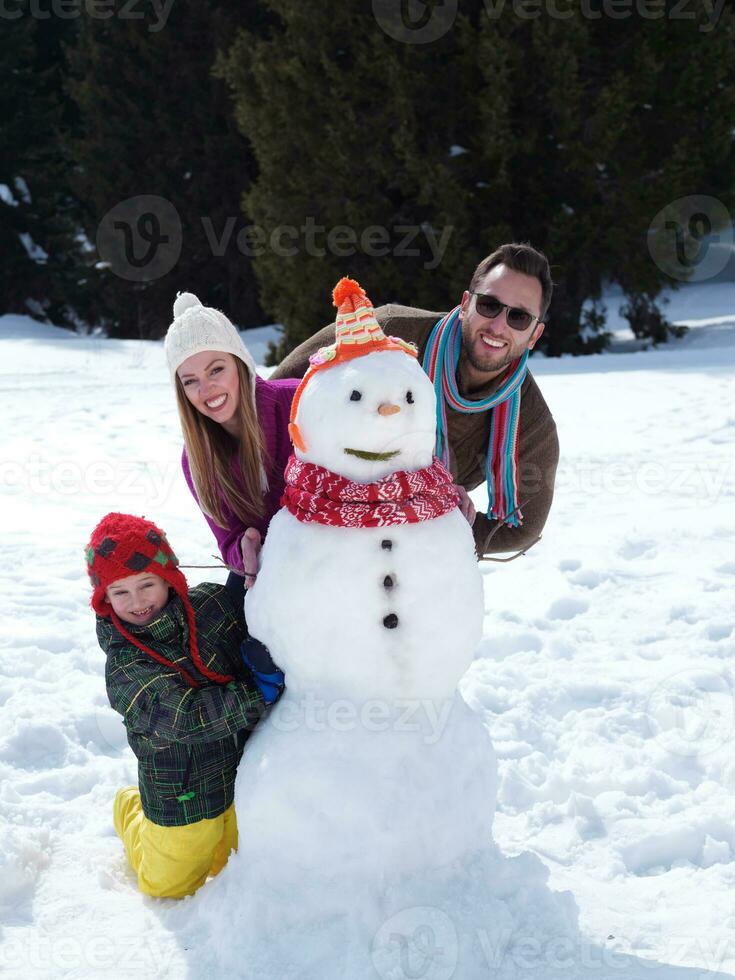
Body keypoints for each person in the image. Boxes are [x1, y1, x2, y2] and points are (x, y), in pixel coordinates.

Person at [271, 243, 559, 557]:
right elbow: (273, 396)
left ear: (534, 335)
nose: (499, 325)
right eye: (489, 305)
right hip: (312, 521)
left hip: (408, 550)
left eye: (518, 317)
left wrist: (443, 526)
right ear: (465, 304)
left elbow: (523, 525)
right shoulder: (389, 332)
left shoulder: (529, 421)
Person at [87, 511, 268, 899]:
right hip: (181, 795)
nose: (137, 602)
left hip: (238, 773)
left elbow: (243, 609)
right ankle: (130, 810)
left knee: (233, 863)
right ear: (104, 599)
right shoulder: (125, 666)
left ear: (169, 578)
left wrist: (246, 571)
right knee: (167, 885)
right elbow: (186, 718)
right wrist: (258, 692)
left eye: (146, 584)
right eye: (120, 592)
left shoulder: (208, 606)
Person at [165, 292, 299, 599]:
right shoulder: (197, 459)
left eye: (216, 370)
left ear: (240, 363)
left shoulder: (296, 402)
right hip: (268, 570)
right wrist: (244, 548)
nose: (206, 389)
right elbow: (228, 539)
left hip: (335, 550)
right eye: (190, 381)